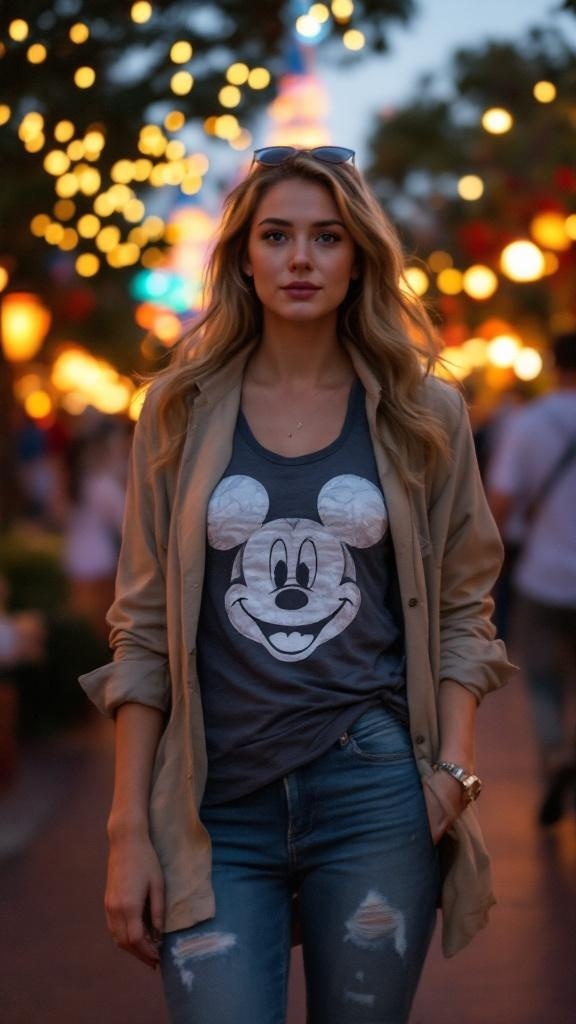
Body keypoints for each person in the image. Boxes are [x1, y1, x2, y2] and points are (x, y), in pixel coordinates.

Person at [80, 146, 514, 1024]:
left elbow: (465, 604)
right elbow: (145, 627)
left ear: (360, 257)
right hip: (213, 803)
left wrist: (452, 775)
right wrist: (129, 829)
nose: (301, 259)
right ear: (244, 256)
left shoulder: (421, 410)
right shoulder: (179, 409)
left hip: (373, 793)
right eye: (276, 236)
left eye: (327, 236)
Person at [487, 331, 576, 826]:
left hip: (542, 574)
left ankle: (555, 751)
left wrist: (489, 564)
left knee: (541, 678)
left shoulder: (530, 422)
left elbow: (500, 500)